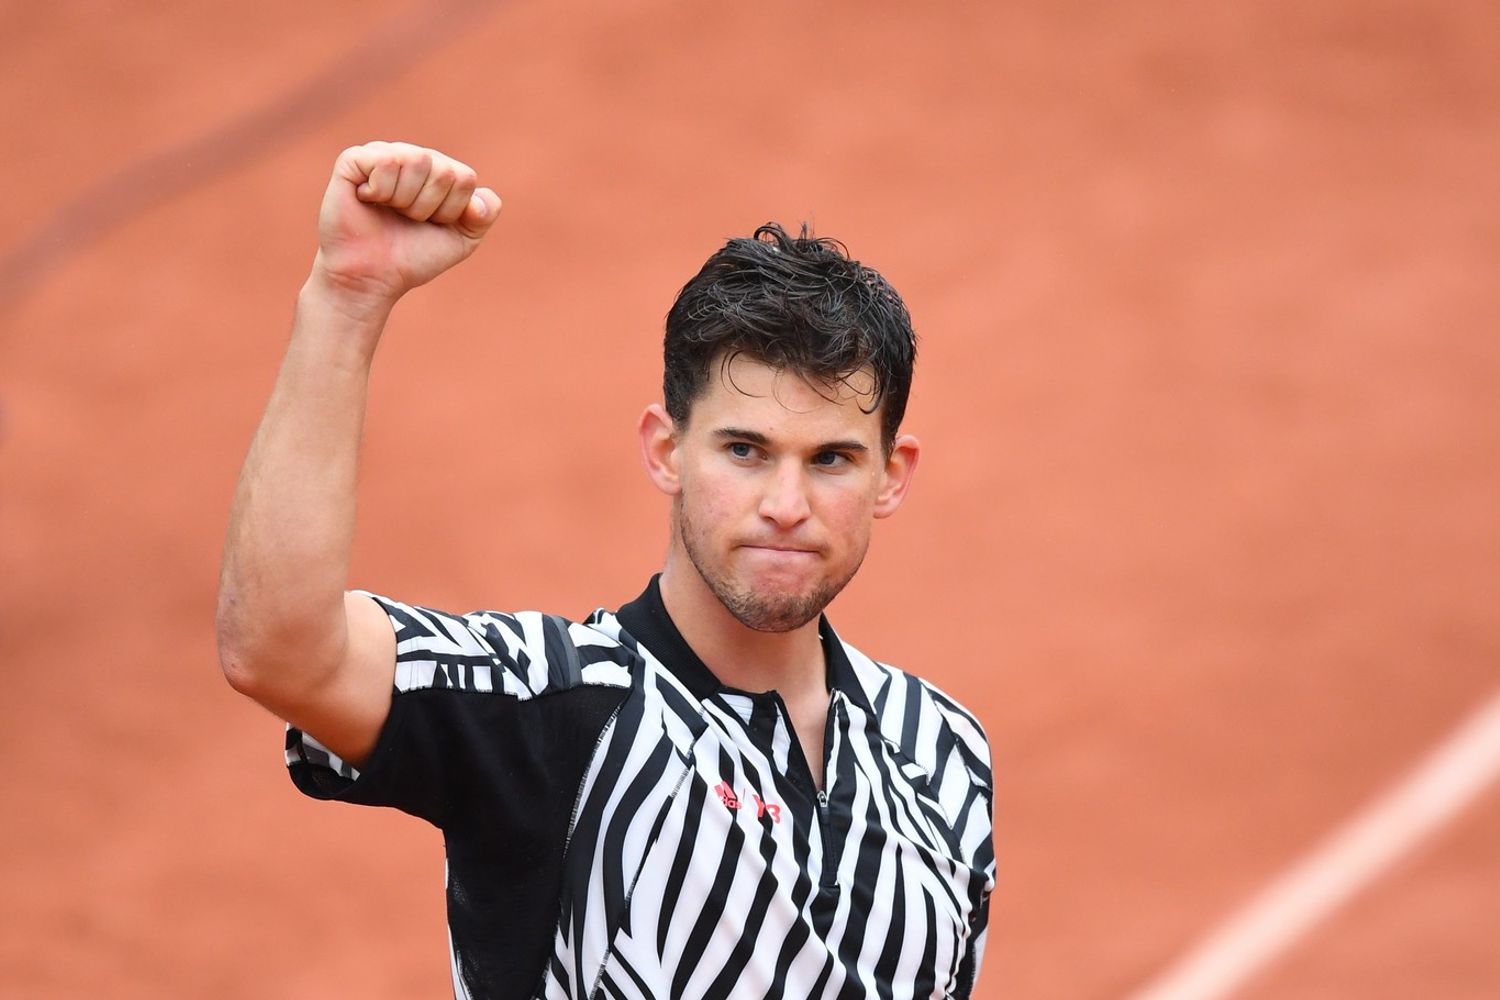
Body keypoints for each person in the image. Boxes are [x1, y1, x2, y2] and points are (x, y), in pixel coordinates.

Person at [218, 141, 995, 1000]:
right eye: (744, 449)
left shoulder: (944, 750)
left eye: (832, 460)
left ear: (892, 476)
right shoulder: (558, 709)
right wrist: (346, 299)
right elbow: (282, 649)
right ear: (667, 452)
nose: (785, 502)